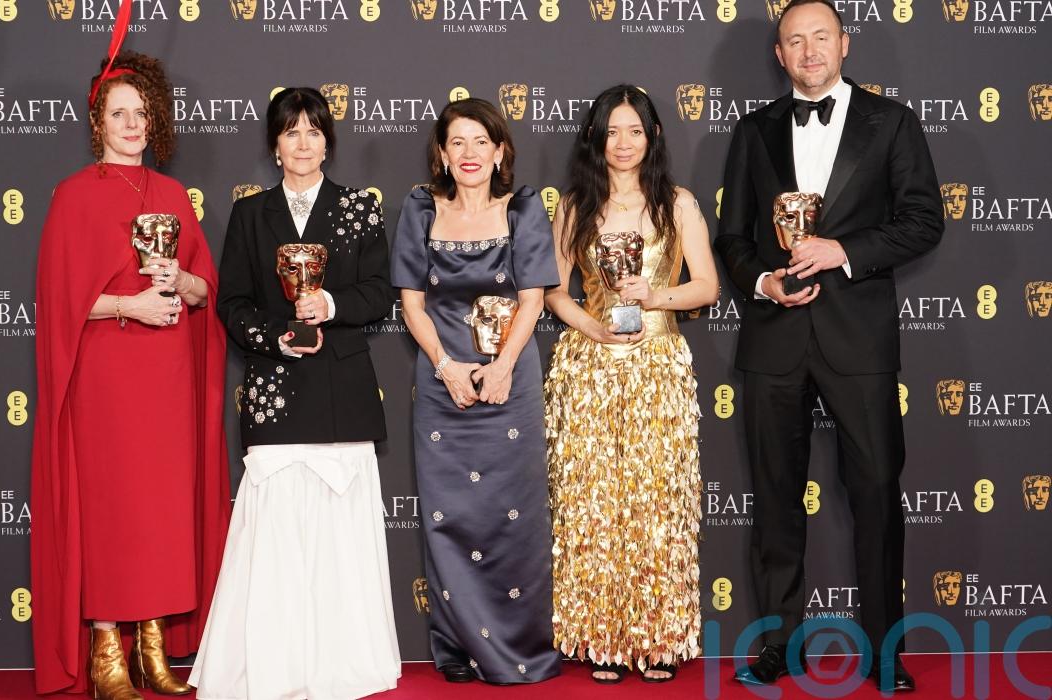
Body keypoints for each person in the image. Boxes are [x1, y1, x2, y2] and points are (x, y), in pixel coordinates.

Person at [713, 0, 943, 692]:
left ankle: (885, 654)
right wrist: (763, 283)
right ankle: (780, 646)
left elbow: (923, 221)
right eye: (795, 41)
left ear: (845, 44)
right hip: (773, 340)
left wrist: (843, 250)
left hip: (859, 339)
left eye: (821, 37)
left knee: (876, 496)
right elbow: (732, 237)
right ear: (779, 55)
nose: (809, 51)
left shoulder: (891, 122)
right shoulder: (753, 130)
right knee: (775, 500)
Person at [30, 50, 231, 699]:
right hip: (106, 378)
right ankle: (106, 651)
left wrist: (184, 280)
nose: (132, 124)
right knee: (113, 509)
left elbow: (205, 292)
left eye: (141, 112)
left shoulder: (172, 195)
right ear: (97, 122)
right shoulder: (73, 196)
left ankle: (152, 648)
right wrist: (128, 304)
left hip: (167, 378)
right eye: (119, 113)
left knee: (162, 511)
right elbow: (60, 302)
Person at [188, 87, 401, 700]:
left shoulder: (359, 207)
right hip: (275, 390)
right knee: (275, 543)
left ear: (327, 142)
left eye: (313, 131)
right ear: (274, 146)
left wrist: (329, 303)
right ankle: (270, 667)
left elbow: (379, 292)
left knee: (339, 544)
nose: (303, 143)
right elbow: (231, 302)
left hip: (341, 391)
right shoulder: (250, 214)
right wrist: (277, 336)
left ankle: (344, 664)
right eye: (291, 132)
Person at [543, 85, 718, 684]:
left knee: (658, 504)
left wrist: (654, 296)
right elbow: (553, 291)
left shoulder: (678, 204)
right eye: (612, 131)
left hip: (658, 366)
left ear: (654, 136)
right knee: (593, 505)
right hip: (590, 368)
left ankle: (659, 637)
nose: (623, 144)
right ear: (596, 137)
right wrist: (593, 327)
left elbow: (707, 287)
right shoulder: (575, 205)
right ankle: (600, 638)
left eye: (635, 131)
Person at [392, 97, 562, 685]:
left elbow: (533, 298)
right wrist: (446, 366)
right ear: (442, 153)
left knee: (514, 520)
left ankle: (521, 646)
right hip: (442, 385)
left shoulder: (523, 208)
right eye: (457, 142)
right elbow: (412, 305)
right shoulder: (420, 209)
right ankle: (459, 648)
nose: (469, 153)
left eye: (480, 142)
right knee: (450, 518)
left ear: (500, 151)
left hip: (511, 382)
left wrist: (503, 365)